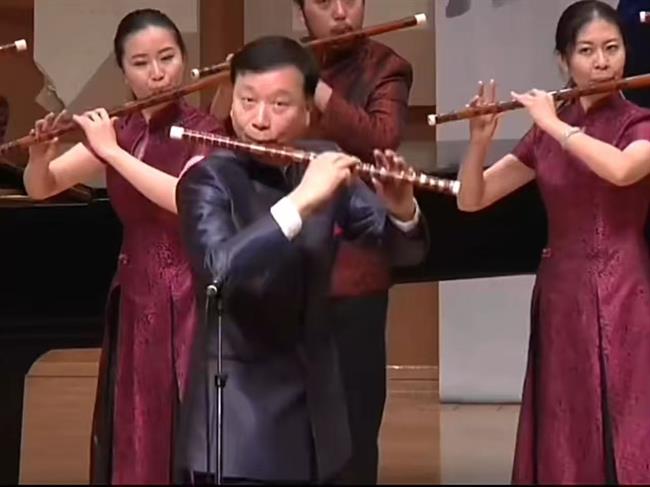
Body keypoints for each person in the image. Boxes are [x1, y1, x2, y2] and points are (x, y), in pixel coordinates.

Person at [175, 35, 428, 484]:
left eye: (279, 104)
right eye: (247, 101)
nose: (259, 120)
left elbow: (402, 252)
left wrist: (401, 209)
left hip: (318, 416)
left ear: (309, 111)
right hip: (240, 421)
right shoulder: (208, 179)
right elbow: (218, 270)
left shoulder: (325, 161)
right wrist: (300, 202)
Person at [22, 9, 223, 484]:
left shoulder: (205, 131)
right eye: (141, 63)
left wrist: (110, 151)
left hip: (190, 297)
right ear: (124, 72)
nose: (157, 74)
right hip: (134, 294)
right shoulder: (120, 130)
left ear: (184, 58)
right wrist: (38, 157)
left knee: (186, 423)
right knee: (136, 423)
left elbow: (184, 198)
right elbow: (43, 187)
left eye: (167, 58)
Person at [455, 1, 650, 483]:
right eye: (587, 51)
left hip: (626, 292)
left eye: (612, 48)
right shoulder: (548, 131)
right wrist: (479, 141)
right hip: (561, 296)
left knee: (628, 421)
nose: (602, 62)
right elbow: (473, 199)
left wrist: (557, 126)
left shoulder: (639, 123)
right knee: (566, 425)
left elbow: (621, 170)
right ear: (563, 61)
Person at [292, 1, 414, 482]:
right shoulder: (282, 64)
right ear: (301, 12)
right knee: (285, 427)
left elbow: (382, 137)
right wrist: (240, 87)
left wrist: (315, 89)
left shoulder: (387, 67)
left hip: (353, 273)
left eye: (353, 0)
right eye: (325, 2)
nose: (342, 13)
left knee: (352, 430)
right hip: (283, 267)